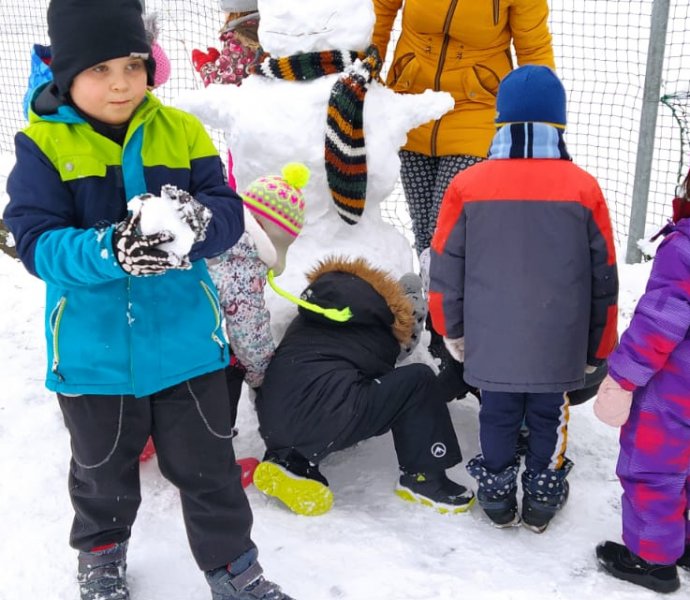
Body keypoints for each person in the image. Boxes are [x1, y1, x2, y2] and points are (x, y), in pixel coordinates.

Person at [2, 1, 293, 599]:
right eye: (101, 69)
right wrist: (111, 249)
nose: (121, 83)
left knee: (210, 470)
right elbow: (37, 243)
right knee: (100, 470)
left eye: (132, 66)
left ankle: (235, 570)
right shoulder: (42, 146)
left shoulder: (181, 132)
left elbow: (227, 210)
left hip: (187, 345)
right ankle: (101, 556)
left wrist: (197, 224)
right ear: (66, 73)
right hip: (93, 355)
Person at [429, 65, 619, 533]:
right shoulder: (584, 188)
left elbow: (444, 266)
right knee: (549, 415)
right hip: (559, 339)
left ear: (501, 120)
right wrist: (600, 345)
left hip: (491, 338)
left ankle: (496, 498)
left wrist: (451, 328)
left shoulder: (467, 185)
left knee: (496, 413)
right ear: (559, 123)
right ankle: (541, 498)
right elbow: (605, 277)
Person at [372, 0, 556, 369]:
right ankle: (432, 333)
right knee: (425, 233)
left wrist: (542, 127)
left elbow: (534, 50)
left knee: (446, 234)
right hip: (412, 108)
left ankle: (452, 336)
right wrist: (367, 75)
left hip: (476, 112)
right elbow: (380, 12)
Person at [252, 256, 475, 517]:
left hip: (272, 418)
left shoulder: (311, 311)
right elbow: (388, 375)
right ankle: (424, 479)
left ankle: (288, 462)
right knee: (419, 381)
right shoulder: (379, 323)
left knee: (325, 391)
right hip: (329, 417)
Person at [593, 170, 690, 594]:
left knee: (654, 470)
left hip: (675, 392)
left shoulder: (683, 248)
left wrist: (623, 378)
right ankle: (682, 542)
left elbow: (660, 323)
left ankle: (652, 561)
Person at [208, 162, 309, 427]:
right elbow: (248, 331)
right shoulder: (244, 258)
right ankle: (216, 437)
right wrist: (263, 378)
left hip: (146, 328)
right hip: (187, 353)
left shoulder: (215, 225)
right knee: (230, 361)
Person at [191, 0, 260, 189]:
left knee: (238, 173)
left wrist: (205, 65)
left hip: (242, 123)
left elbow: (220, 83)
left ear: (234, 13)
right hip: (267, 117)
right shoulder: (268, 33)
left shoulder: (240, 39)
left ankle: (239, 198)